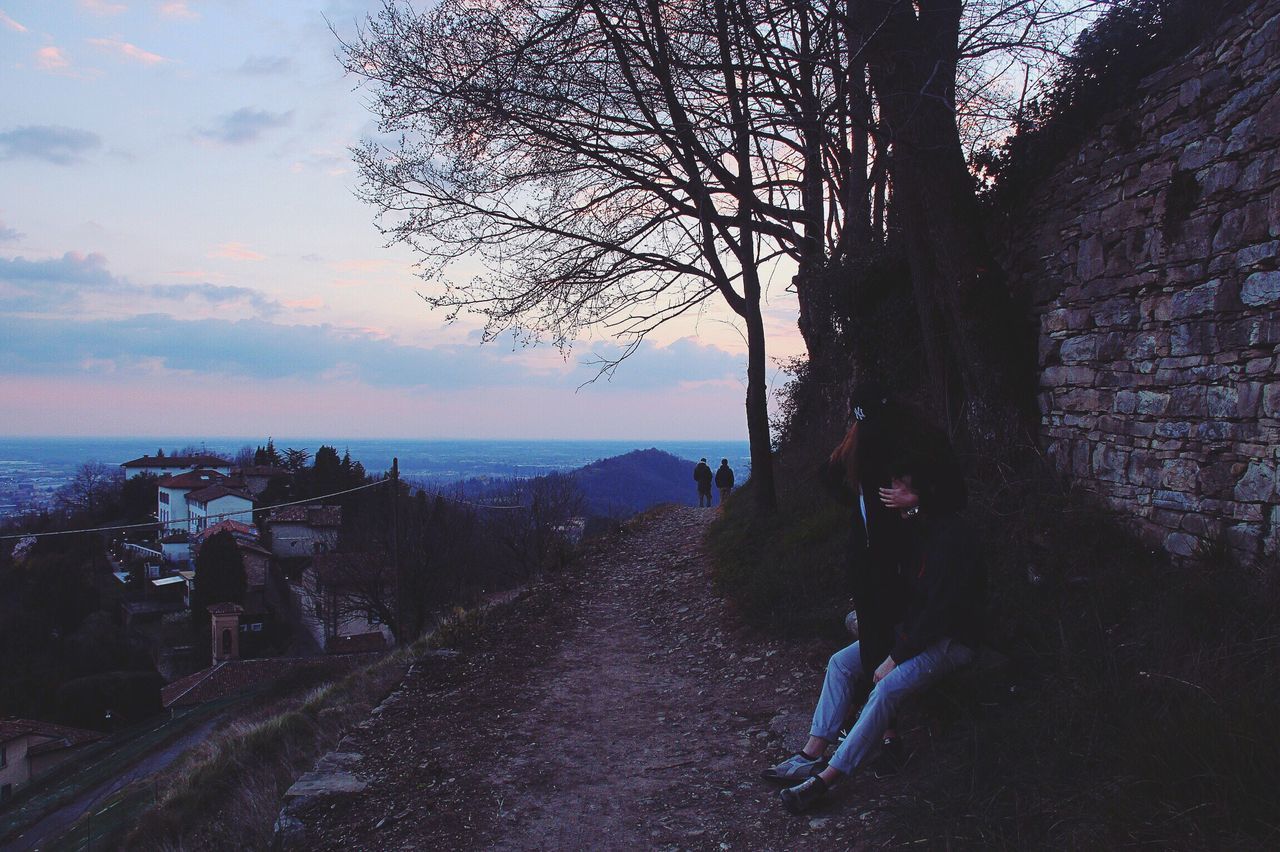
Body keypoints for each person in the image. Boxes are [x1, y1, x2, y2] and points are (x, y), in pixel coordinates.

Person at [763, 451, 986, 815]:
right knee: (841, 663)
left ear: (922, 494)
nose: (891, 494)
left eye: (901, 488)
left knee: (886, 687)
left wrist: (895, 656)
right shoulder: (921, 528)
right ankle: (811, 753)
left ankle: (826, 780)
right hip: (915, 633)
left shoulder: (952, 539)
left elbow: (939, 614)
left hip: (952, 641)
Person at [815, 383, 967, 777]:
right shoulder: (862, 446)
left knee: (885, 632)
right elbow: (830, 475)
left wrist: (915, 503)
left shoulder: (904, 447)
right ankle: (882, 734)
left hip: (901, 561)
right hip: (872, 562)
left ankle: (883, 733)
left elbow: (952, 496)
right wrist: (859, 508)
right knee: (874, 633)